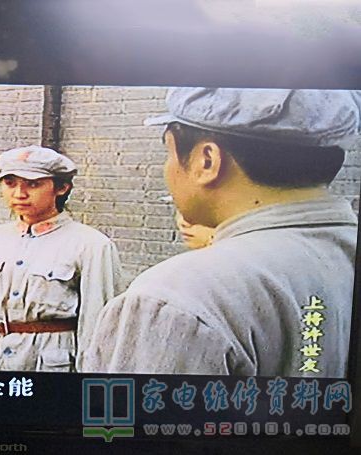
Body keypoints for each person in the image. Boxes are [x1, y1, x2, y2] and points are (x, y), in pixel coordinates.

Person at [84, 88, 360, 377]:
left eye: (168, 152)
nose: (167, 169)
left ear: (207, 161)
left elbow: (125, 409)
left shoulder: (174, 300)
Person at [0, 145, 125, 372]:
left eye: (33, 184)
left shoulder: (91, 245)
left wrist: (91, 382)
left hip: (49, 362)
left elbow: (98, 326)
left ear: (61, 188)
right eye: (10, 183)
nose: (19, 194)